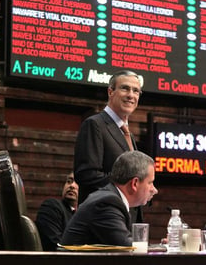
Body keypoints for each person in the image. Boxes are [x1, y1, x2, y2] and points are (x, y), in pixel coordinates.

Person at [73, 70, 143, 221]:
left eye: (136, 91)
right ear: (110, 92)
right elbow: (87, 175)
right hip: (102, 221)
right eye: (125, 88)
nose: (131, 95)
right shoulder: (95, 124)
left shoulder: (128, 133)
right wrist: (129, 188)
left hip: (126, 222)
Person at [61, 150, 158, 246]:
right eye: (150, 182)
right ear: (134, 183)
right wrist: (164, 248)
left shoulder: (109, 199)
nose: (154, 190)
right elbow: (128, 248)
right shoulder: (106, 203)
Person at [35, 172, 79, 251]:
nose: (72, 185)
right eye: (69, 181)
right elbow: (55, 246)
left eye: (77, 183)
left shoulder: (81, 215)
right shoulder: (52, 206)